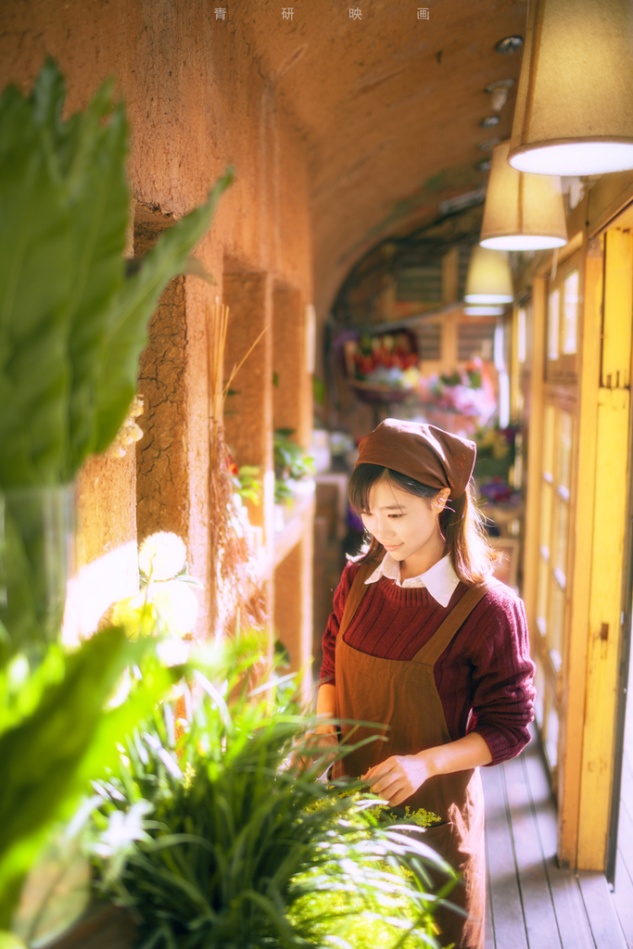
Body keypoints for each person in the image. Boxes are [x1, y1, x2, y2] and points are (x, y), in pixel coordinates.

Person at [316, 418, 535, 949]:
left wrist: (424, 763)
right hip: (349, 810)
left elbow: (510, 727)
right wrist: (325, 731)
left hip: (431, 822)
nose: (380, 531)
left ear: (440, 500)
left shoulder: (490, 610)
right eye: (368, 513)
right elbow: (330, 663)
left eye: (395, 514)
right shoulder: (357, 580)